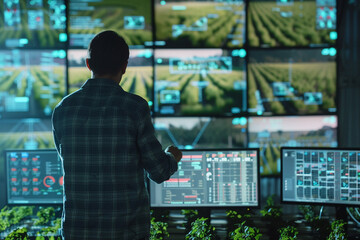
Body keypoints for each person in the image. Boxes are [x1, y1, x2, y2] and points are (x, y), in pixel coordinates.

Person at [52, 30, 182, 240]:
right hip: (125, 232)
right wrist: (172, 156)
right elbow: (159, 172)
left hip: (77, 232)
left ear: (88, 64)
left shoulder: (63, 109)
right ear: (124, 66)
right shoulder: (135, 108)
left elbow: (67, 160)